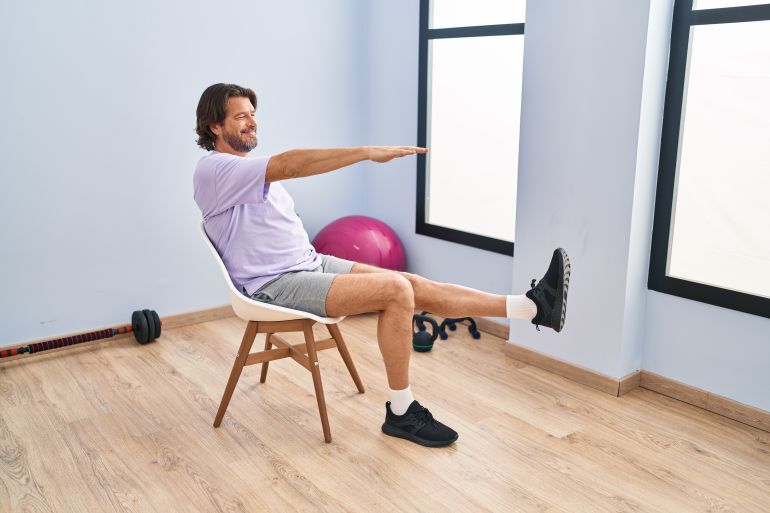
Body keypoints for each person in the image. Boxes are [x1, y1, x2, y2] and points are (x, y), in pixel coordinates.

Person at [193, 83, 570, 448]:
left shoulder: (247, 172)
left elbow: (282, 174)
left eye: (253, 114)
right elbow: (290, 164)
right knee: (396, 292)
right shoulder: (214, 171)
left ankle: (533, 306)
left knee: (412, 284)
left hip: (311, 264)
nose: (252, 122)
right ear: (215, 126)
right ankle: (401, 411)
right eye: (241, 117)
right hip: (273, 284)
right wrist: (366, 152)